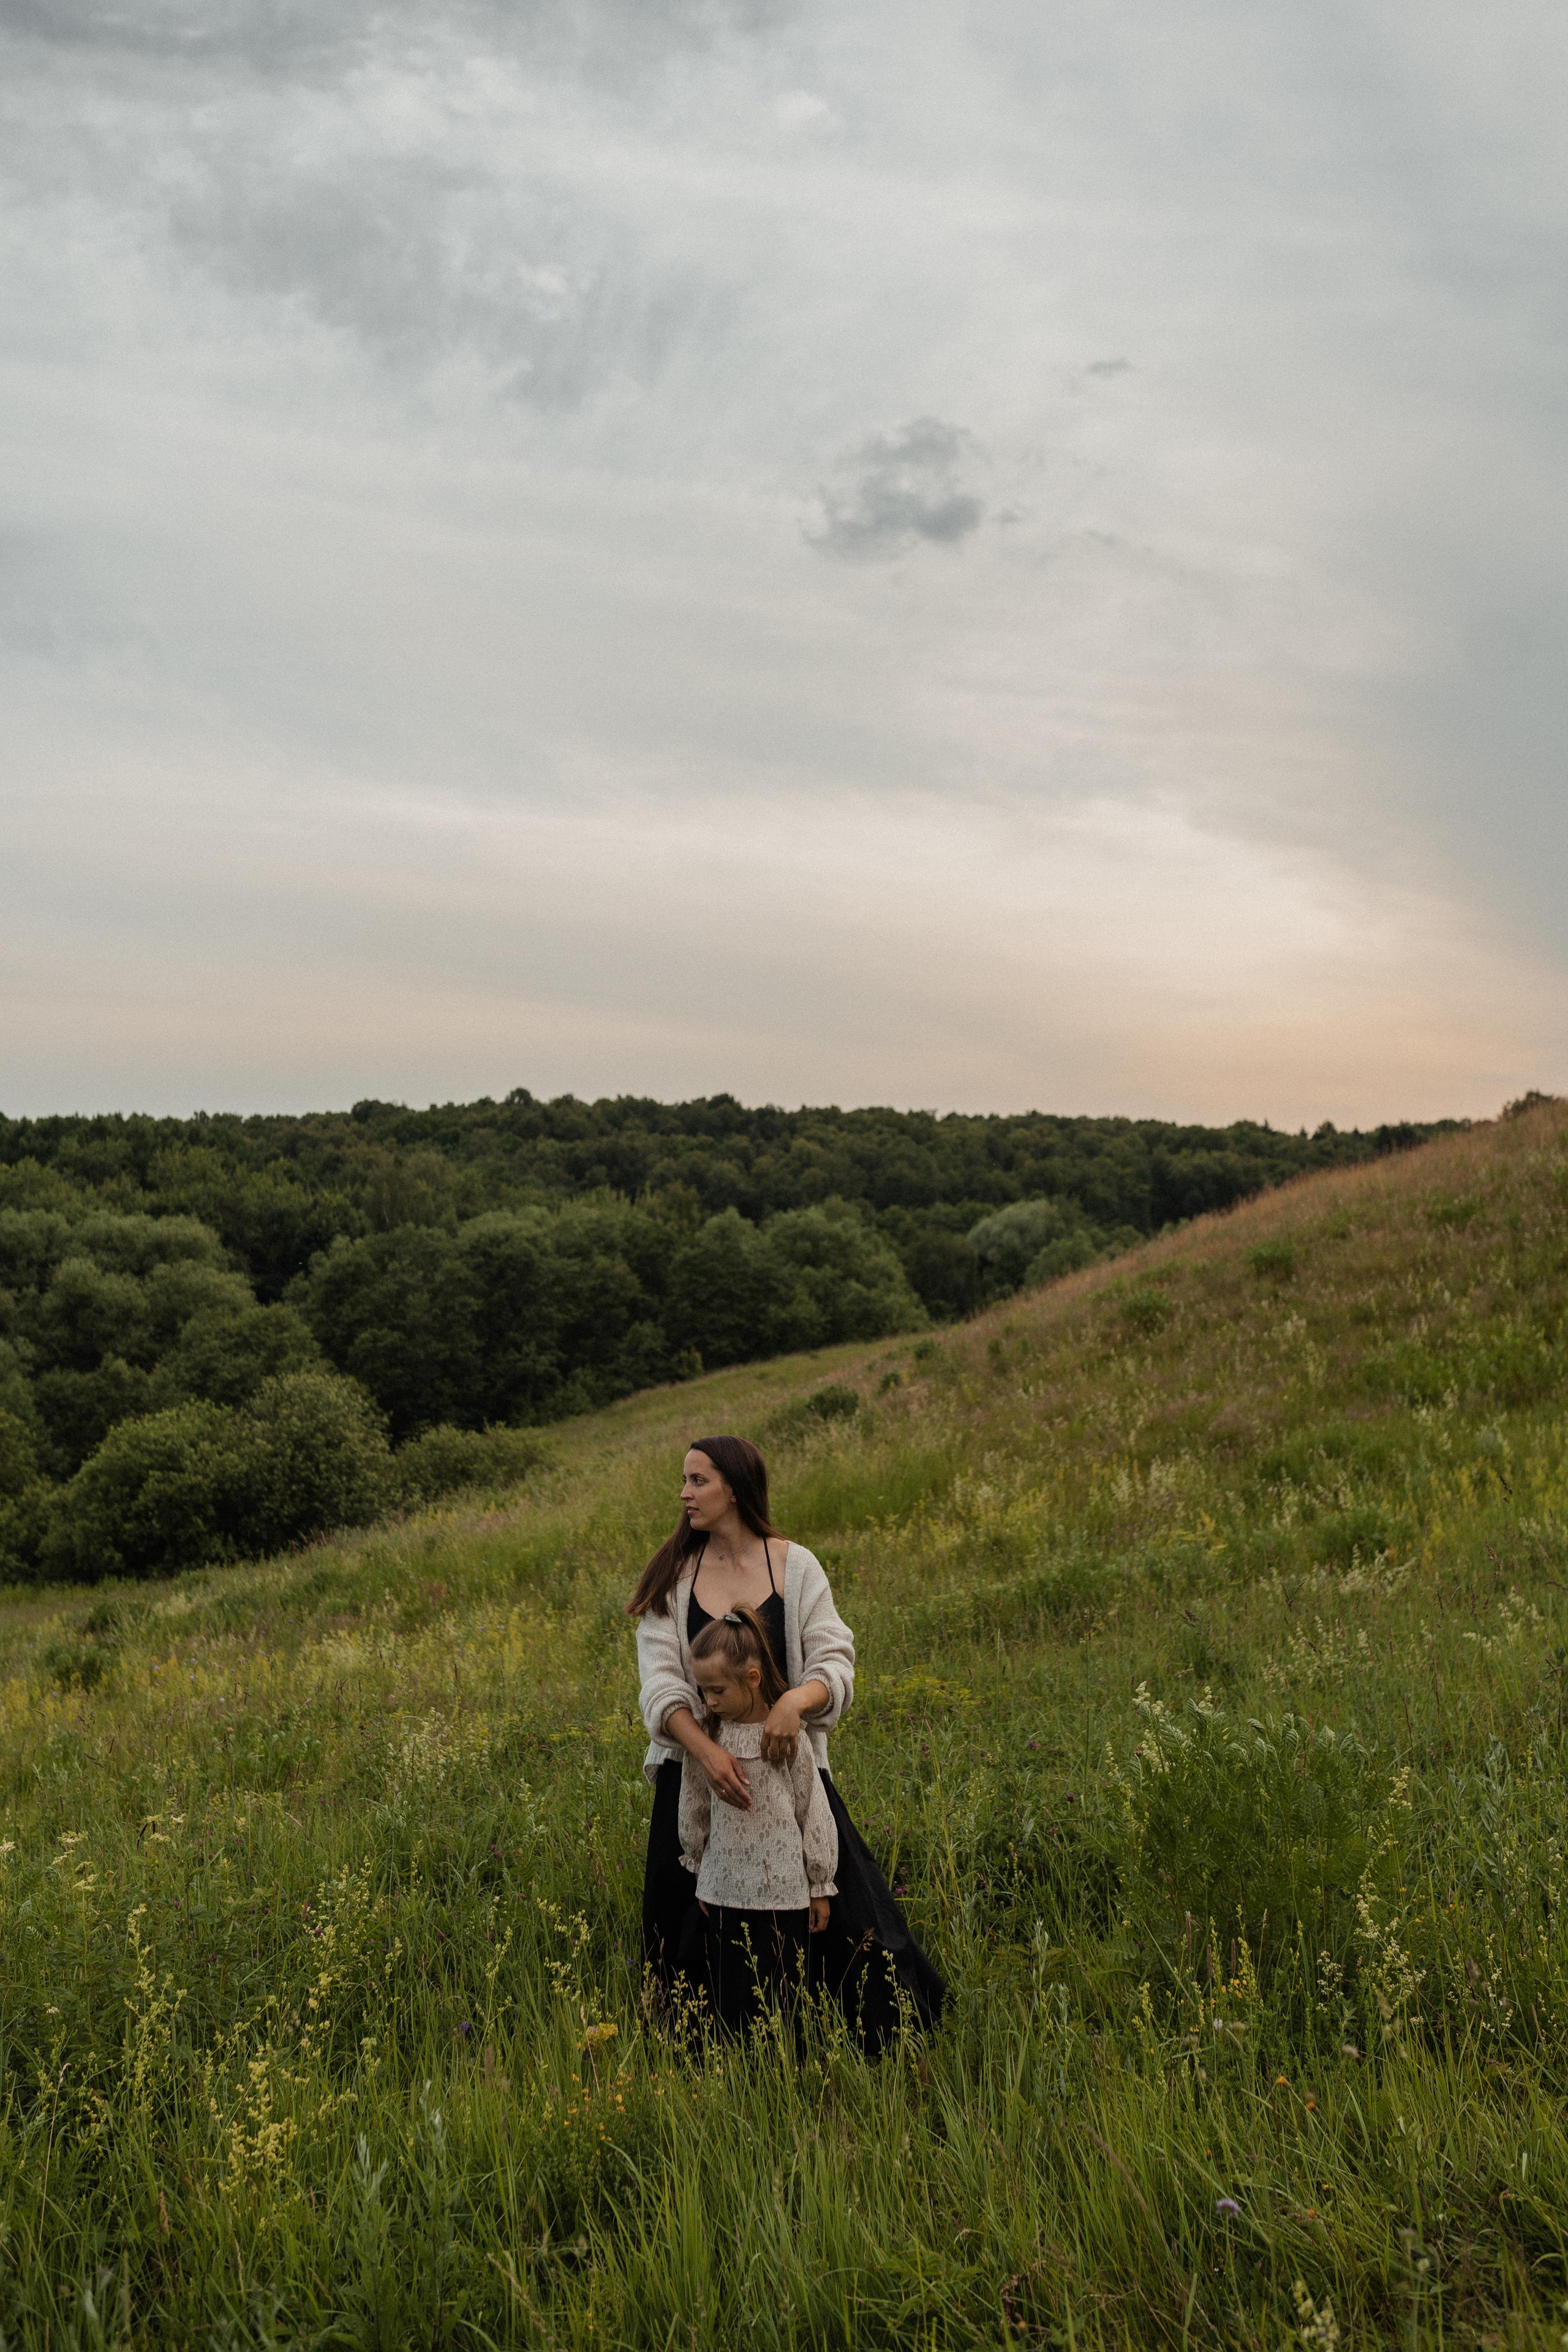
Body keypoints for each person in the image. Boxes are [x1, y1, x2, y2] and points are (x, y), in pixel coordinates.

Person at [630, 1431, 946, 2049]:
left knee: (855, 1926)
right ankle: (714, 2061)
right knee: (692, 1937)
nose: (685, 1493)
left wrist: (793, 1705)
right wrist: (707, 1751)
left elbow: (835, 1660)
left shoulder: (794, 1566)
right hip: (695, 1777)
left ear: (736, 1487)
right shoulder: (673, 1576)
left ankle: (881, 2048)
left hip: (788, 1772)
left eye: (699, 1481)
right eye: (686, 1480)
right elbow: (659, 1687)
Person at [679, 1603, 839, 2036]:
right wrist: (700, 1870)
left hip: (784, 1894)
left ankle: (786, 2070)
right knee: (730, 1991)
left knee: (784, 1990)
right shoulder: (709, 1739)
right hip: (725, 1888)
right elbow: (694, 1807)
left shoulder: (786, 1736)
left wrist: (820, 1885)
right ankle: (738, 2073)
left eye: (717, 1691)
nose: (708, 1701)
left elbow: (812, 1809)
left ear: (751, 1679)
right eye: (702, 1691)